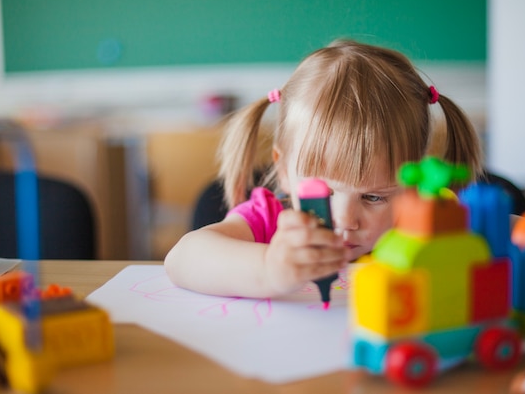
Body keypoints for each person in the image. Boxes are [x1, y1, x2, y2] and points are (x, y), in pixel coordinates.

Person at [164, 39, 482, 298]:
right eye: (324, 192)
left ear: (414, 184)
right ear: (285, 170)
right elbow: (181, 260)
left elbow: (509, 232)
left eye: (373, 197)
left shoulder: (421, 222)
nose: (344, 220)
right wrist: (269, 269)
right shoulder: (270, 223)